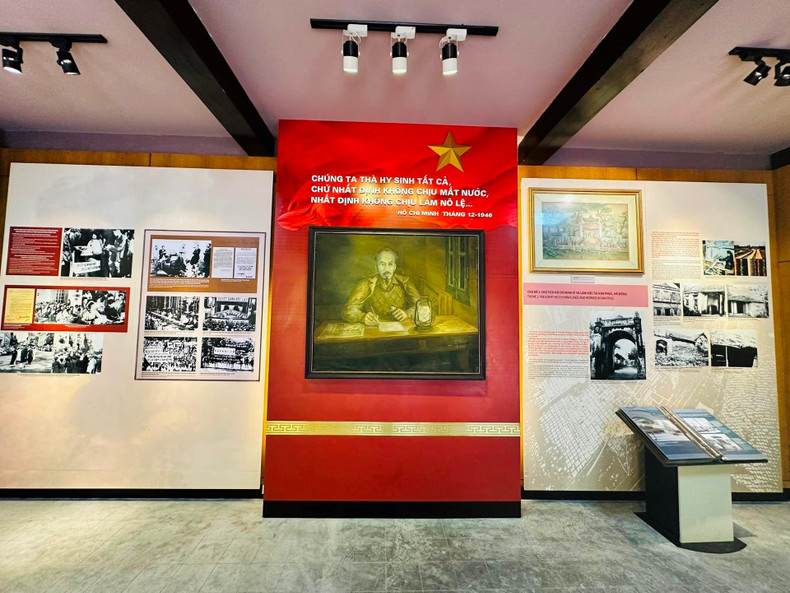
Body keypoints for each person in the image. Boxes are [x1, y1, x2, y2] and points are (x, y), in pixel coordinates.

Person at [342, 248, 421, 326]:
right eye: (382, 264)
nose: (386, 268)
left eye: (390, 264)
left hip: (400, 330)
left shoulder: (405, 283)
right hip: (373, 330)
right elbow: (347, 310)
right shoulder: (366, 284)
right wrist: (362, 317)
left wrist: (407, 313)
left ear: (395, 267)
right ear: (376, 267)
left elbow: (421, 306)